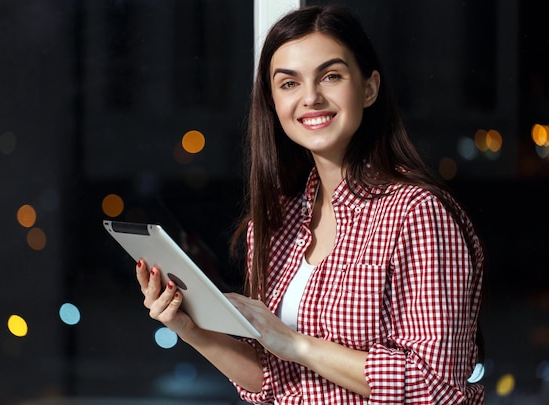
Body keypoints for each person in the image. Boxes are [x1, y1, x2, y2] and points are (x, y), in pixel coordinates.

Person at [136, 4, 485, 404]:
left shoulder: (417, 213)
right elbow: (272, 379)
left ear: (369, 88)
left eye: (331, 76)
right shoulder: (275, 223)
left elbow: (434, 384)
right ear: (272, 102)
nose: (311, 98)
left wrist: (294, 343)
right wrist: (190, 327)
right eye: (289, 84)